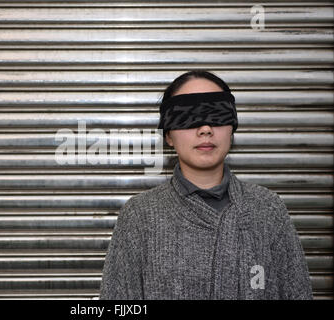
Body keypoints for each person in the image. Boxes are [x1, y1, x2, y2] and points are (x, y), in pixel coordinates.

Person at [99, 70, 313, 300]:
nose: (205, 129)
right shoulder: (139, 216)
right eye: (188, 116)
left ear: (232, 128)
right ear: (169, 135)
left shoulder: (267, 209)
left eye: (217, 115)